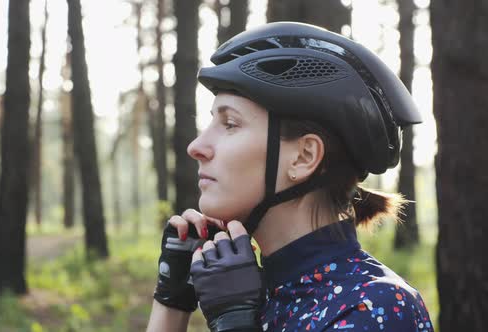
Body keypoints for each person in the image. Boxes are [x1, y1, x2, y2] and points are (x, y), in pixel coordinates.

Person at [146, 22, 434, 332]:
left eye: (230, 124)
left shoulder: (375, 306)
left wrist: (235, 324)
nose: (196, 147)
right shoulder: (264, 293)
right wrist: (172, 301)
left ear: (304, 157)